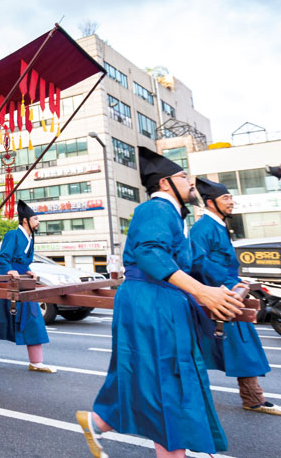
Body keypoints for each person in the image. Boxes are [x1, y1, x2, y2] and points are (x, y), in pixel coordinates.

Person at [77, 147, 244, 458]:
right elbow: (150, 253)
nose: (191, 183)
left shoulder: (176, 216)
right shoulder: (154, 210)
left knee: (150, 373)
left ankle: (98, 421)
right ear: (165, 183)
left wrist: (232, 285)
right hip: (150, 302)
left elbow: (197, 263)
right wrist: (202, 292)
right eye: (184, 177)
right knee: (166, 378)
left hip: (164, 300)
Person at [190, 177, 277, 415]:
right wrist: (227, 283)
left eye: (230, 197)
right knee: (195, 350)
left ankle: (253, 398)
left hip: (230, 293)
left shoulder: (218, 224)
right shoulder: (202, 227)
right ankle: (250, 398)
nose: (231, 202)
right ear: (210, 203)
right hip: (217, 295)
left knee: (242, 346)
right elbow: (197, 262)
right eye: (225, 198)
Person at [0, 200, 55, 373]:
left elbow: (23, 263)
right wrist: (9, 270)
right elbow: (3, 258)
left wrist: (29, 271)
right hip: (9, 282)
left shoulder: (30, 239)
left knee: (34, 319)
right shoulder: (12, 235)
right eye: (35, 219)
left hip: (23, 282)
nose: (38, 222)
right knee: (0, 321)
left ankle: (36, 362)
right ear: (25, 220)